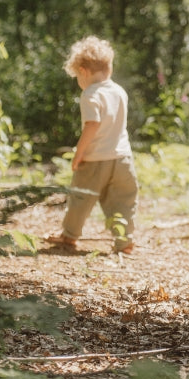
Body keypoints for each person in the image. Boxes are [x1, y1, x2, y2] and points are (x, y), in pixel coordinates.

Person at [46, 36, 138, 253]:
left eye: (77, 75)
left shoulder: (90, 94)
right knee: (122, 201)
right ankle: (125, 240)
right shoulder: (119, 92)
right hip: (123, 158)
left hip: (96, 159)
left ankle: (69, 236)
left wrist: (79, 153)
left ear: (84, 71)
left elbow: (92, 125)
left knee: (80, 198)